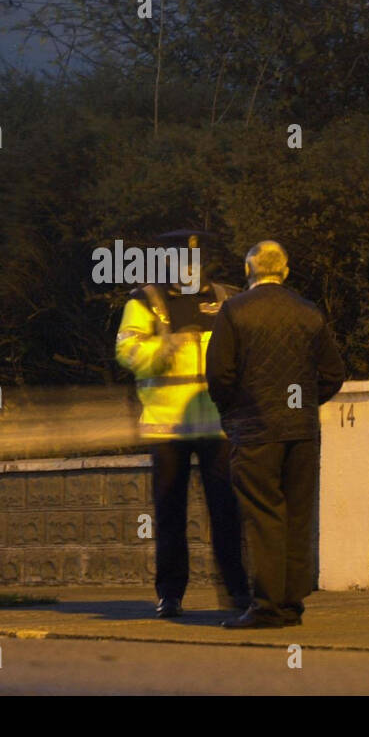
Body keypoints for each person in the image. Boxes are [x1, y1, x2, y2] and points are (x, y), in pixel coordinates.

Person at [205, 240, 346, 628]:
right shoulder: (308, 312)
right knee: (298, 516)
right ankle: (290, 604)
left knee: (264, 515)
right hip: (301, 433)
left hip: (255, 432)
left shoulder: (234, 311)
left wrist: (234, 412)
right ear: (285, 271)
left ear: (248, 271)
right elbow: (333, 374)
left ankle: (267, 606)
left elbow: (220, 374)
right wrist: (302, 405)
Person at [115, 231, 250, 619]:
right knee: (170, 512)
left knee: (226, 510)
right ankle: (170, 594)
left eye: (193, 260)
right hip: (167, 424)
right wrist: (165, 347)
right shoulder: (145, 300)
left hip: (217, 424)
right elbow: (126, 350)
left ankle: (239, 590)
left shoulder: (227, 298)